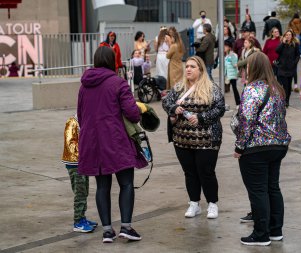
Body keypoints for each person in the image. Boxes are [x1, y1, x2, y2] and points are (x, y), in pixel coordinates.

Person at [77, 46, 147, 243]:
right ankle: (126, 227)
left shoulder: (84, 85)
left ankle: (107, 231)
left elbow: (81, 116)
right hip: (116, 141)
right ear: (112, 61)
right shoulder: (118, 83)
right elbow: (132, 113)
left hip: (92, 142)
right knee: (126, 183)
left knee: (102, 186)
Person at [234, 52, 291, 246]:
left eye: (248, 66)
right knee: (272, 187)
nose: (246, 69)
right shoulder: (278, 89)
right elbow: (281, 116)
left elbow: (246, 121)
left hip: (256, 148)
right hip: (278, 145)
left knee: (258, 191)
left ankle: (261, 234)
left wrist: (239, 147)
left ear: (254, 67)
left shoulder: (252, 89)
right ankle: (275, 231)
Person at [162, 56, 225, 220]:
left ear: (201, 70)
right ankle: (194, 203)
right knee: (189, 173)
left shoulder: (211, 88)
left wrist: (201, 118)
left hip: (207, 139)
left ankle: (212, 203)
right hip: (182, 139)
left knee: (206, 172)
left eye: (192, 67)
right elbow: (166, 102)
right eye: (187, 66)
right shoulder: (178, 87)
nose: (188, 69)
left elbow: (220, 108)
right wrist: (174, 108)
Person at [61, 114, 98, 233]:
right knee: (80, 192)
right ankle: (78, 221)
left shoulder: (84, 121)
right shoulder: (72, 122)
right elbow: (71, 144)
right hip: (74, 163)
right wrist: (86, 149)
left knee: (84, 190)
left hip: (82, 162)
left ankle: (82, 217)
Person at [276, 29, 300, 107]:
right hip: (281, 68)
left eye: (289, 35)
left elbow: (297, 55)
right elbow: (277, 51)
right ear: (284, 36)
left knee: (288, 87)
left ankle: (287, 101)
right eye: (286, 35)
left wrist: (294, 63)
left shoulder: (295, 44)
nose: (288, 36)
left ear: (292, 36)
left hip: (290, 69)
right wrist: (283, 43)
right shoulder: (282, 44)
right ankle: (281, 100)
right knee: (280, 85)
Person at [224, 40, 240, 107]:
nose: (224, 47)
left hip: (232, 75)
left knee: (234, 89)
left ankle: (238, 103)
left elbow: (234, 64)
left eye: (225, 46)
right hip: (226, 75)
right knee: (224, 89)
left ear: (229, 47)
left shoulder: (233, 55)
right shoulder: (225, 55)